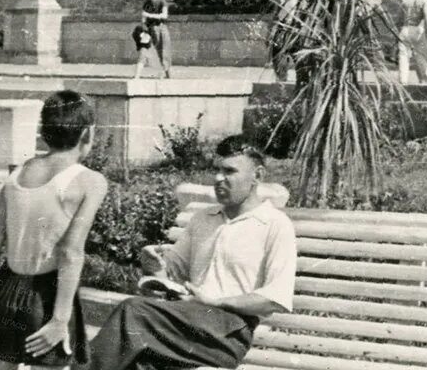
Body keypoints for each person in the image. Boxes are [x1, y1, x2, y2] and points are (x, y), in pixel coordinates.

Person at [87, 136, 297, 370]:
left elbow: (274, 298)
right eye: (216, 170)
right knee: (141, 363)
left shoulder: (274, 225)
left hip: (227, 332)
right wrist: (154, 264)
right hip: (185, 321)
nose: (218, 179)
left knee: (133, 312)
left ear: (257, 176)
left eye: (229, 171)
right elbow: (170, 273)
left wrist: (216, 301)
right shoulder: (203, 219)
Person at [0, 91, 109, 370]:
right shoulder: (90, 181)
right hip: (47, 296)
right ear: (88, 134)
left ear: (43, 132)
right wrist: (60, 318)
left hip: (4, 288)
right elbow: (70, 252)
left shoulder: (17, 173)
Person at [397, 0, 427, 84]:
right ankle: (424, 78)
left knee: (403, 56)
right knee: (420, 55)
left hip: (405, 28)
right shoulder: (424, 0)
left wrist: (398, 29)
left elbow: (399, 18)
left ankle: (403, 80)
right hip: (418, 29)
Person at [269, 0, 302, 83]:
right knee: (278, 59)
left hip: (296, 32)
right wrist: (270, 33)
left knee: (299, 60)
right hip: (281, 31)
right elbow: (275, 17)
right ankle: (281, 85)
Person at [141, 0, 171, 79]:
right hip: (151, 29)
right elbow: (143, 18)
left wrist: (149, 15)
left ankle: (166, 74)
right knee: (158, 51)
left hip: (161, 28)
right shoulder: (147, 4)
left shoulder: (162, 2)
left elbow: (164, 15)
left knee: (164, 50)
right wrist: (144, 26)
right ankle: (165, 73)